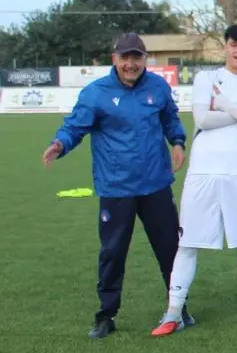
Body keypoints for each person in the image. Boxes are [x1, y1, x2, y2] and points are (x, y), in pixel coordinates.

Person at [44, 33, 188, 339]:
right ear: (115, 60)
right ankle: (106, 315)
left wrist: (177, 142)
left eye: (137, 58)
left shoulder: (158, 87)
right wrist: (60, 144)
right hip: (116, 188)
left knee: (171, 249)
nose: (131, 64)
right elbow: (75, 126)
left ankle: (178, 306)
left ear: (145, 59)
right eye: (125, 58)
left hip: (156, 184)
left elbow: (171, 119)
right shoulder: (96, 93)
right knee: (113, 252)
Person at [154, 24, 237, 336]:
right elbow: (203, 119)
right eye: (235, 44)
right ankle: (173, 312)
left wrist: (227, 105)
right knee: (188, 242)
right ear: (226, 46)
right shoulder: (206, 78)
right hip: (203, 173)